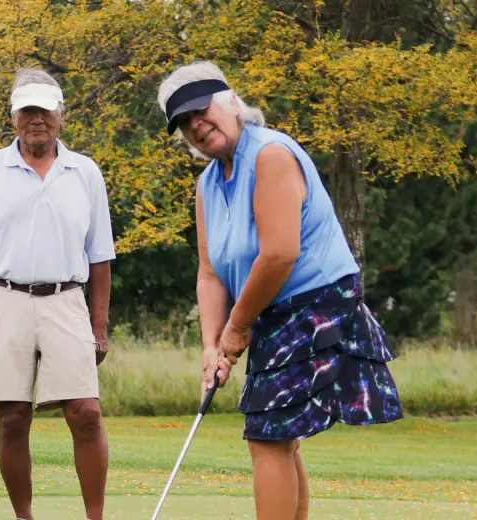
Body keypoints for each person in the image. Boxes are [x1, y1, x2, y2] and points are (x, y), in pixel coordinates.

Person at [156, 61, 404, 520]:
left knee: (269, 435)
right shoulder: (207, 184)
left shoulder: (269, 154)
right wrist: (211, 346)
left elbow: (279, 254)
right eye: (183, 122)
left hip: (317, 301)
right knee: (279, 434)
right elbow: (210, 272)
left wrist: (236, 328)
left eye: (200, 109)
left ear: (231, 102)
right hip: (273, 310)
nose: (195, 124)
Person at [0, 67, 116, 520]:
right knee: (14, 416)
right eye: (27, 110)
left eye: (44, 109)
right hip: (3, 299)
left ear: (61, 114)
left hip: (67, 299)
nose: (35, 119)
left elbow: (100, 258)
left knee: (85, 412)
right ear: (14, 116)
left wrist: (99, 326)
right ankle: (24, 517)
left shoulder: (86, 172)